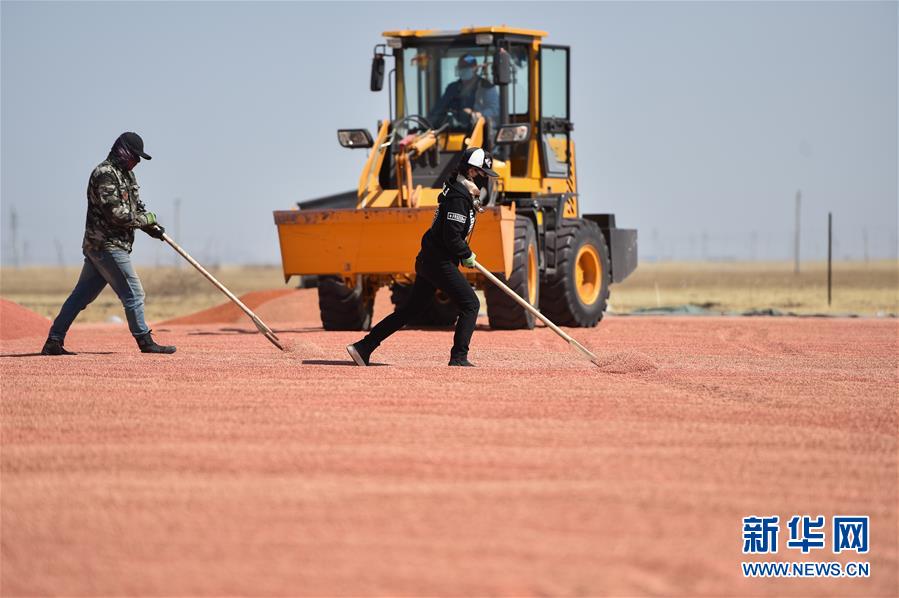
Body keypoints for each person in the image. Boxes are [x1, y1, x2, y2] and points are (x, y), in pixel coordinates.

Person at [347, 147, 498, 367]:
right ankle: (459, 357)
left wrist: (463, 252)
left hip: (430, 260)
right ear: (472, 172)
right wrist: (466, 254)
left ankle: (363, 347)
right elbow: (451, 236)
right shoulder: (458, 196)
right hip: (438, 262)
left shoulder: (460, 191)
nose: (486, 180)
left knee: (410, 310)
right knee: (471, 304)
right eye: (484, 174)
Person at [41, 132, 176, 355]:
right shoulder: (104, 174)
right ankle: (144, 340)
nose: (137, 162)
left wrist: (152, 227)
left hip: (109, 246)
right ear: (123, 152)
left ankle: (53, 342)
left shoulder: (128, 176)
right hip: (106, 244)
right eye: (135, 156)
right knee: (134, 293)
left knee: (81, 296)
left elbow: (136, 209)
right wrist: (145, 220)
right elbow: (116, 214)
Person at [428, 54, 499, 131]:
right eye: (461, 67)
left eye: (466, 67)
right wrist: (429, 123)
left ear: (475, 68)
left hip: (482, 132)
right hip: (455, 132)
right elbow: (439, 108)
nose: (463, 69)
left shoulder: (486, 86)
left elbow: (495, 110)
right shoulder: (452, 88)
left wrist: (476, 114)